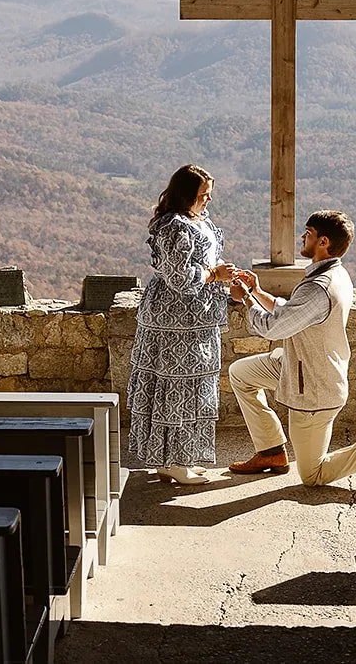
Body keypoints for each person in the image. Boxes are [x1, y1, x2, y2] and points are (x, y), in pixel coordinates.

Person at [225, 209, 356, 488]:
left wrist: (244, 299)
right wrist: (257, 291)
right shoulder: (334, 273)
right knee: (241, 373)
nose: (302, 237)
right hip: (295, 366)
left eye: (308, 233)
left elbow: (272, 328)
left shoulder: (319, 287)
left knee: (313, 475)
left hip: (314, 387)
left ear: (323, 242)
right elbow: (292, 314)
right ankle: (271, 451)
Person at [127, 164, 238, 485]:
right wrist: (215, 275)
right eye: (203, 195)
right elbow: (179, 277)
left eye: (209, 195)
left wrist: (222, 274)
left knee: (192, 388)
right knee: (176, 388)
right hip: (175, 321)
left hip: (197, 318)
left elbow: (199, 265)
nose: (208, 201)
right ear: (186, 194)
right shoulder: (175, 227)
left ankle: (181, 456)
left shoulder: (196, 221)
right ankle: (172, 460)